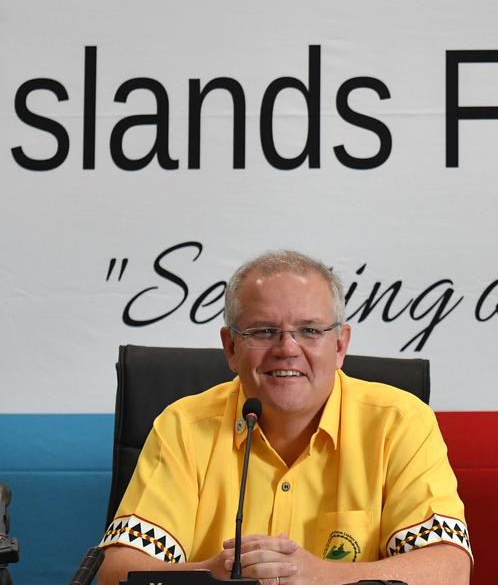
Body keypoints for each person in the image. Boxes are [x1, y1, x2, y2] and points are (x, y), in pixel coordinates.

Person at [98, 251, 470, 585]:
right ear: (230, 347)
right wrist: (213, 575)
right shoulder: (184, 426)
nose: (287, 349)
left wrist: (323, 576)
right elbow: (118, 572)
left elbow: (448, 570)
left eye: (309, 330)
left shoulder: (399, 423)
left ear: (340, 345)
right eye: (264, 331)